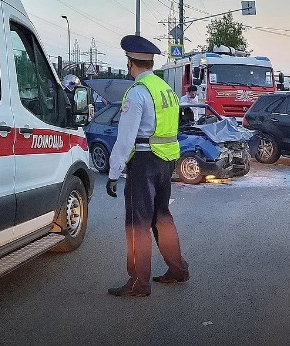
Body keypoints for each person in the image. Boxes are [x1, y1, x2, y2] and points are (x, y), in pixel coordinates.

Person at [106, 35, 189, 297]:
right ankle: (178, 269)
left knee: (137, 222)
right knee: (162, 217)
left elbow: (126, 138)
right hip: (167, 160)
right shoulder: (165, 89)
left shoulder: (138, 92)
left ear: (131, 63)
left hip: (144, 161)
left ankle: (138, 283)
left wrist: (114, 172)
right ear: (150, 63)